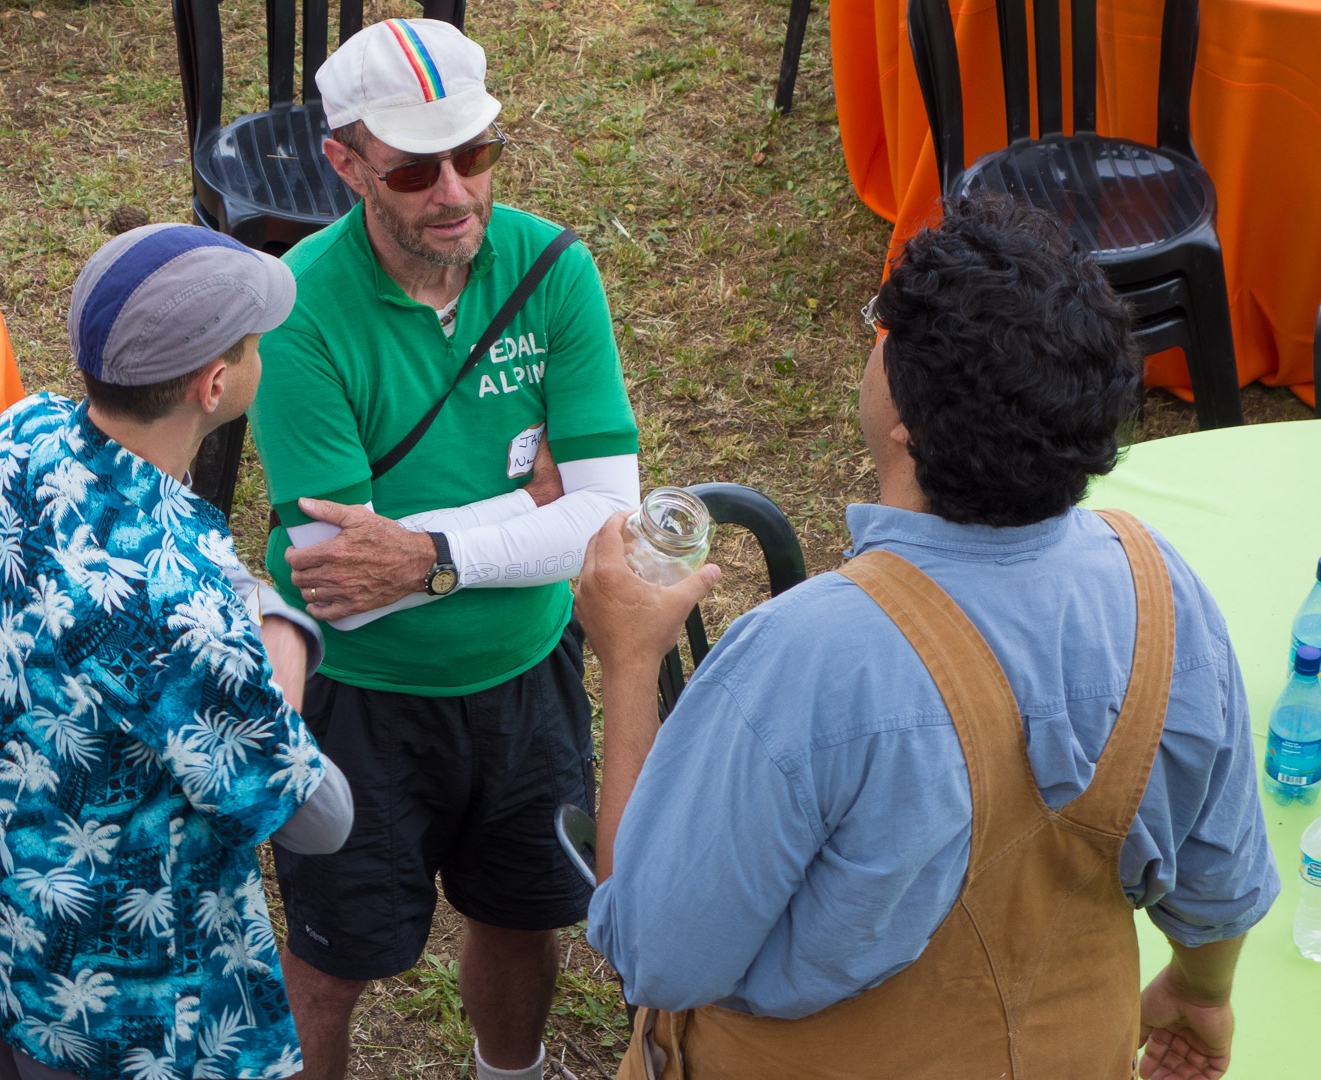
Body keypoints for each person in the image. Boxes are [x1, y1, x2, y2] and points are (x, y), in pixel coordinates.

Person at [577, 195, 1281, 1080]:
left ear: (905, 422)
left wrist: (630, 663)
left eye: (883, 326)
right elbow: (1220, 876)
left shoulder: (801, 659)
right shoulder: (1159, 585)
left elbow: (653, 954)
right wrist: (1200, 993)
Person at [246, 18, 641, 1080]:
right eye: (416, 170)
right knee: (331, 964)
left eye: (477, 153)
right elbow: (344, 583)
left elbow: (608, 519)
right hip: (364, 699)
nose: (457, 191)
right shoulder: (297, 309)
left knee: (524, 919)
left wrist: (429, 550)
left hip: (528, 676)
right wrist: (528, 512)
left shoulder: (554, 267)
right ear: (345, 166)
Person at [0, 224, 353, 1080]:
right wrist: (283, 637)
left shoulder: (15, 439)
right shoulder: (184, 622)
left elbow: (171, 567)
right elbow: (320, 818)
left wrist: (243, 601)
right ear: (214, 385)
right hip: (134, 1009)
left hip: (11, 920)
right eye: (253, 345)